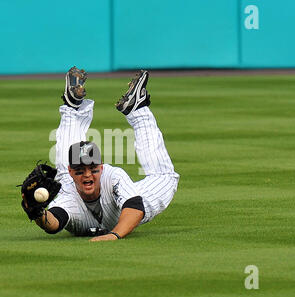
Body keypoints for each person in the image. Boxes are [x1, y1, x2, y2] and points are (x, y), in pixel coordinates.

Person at [21, 67, 179, 241]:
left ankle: (134, 110)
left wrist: (114, 234)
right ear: (73, 172)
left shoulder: (112, 176)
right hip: (74, 192)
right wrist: (38, 213)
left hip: (121, 211)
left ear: (102, 167)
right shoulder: (68, 194)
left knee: (165, 177)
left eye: (93, 169)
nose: (88, 175)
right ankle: (77, 108)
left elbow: (135, 206)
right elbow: (53, 223)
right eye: (80, 171)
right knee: (65, 174)